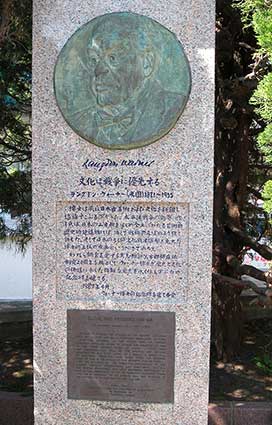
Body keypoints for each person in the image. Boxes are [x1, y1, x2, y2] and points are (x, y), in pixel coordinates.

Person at [71, 13, 186, 149]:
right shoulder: (81, 120)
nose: (98, 70)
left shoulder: (171, 108)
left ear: (146, 63)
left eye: (113, 58)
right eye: (94, 59)